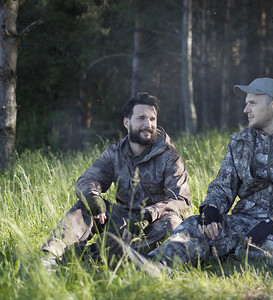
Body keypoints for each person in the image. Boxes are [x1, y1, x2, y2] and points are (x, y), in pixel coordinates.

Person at [133, 77, 273, 267]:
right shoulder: (241, 142)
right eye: (246, 104)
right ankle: (152, 264)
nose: (246, 110)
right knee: (193, 226)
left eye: (252, 103)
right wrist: (211, 209)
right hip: (245, 221)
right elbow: (223, 185)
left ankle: (229, 251)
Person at [42, 92, 191, 263]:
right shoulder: (115, 153)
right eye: (141, 118)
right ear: (126, 123)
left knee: (172, 225)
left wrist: (149, 214)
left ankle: (96, 253)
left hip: (153, 225)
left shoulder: (171, 157)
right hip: (121, 222)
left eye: (152, 119)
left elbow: (181, 200)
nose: (148, 124)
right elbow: (87, 178)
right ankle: (51, 257)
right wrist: (93, 196)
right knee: (86, 206)